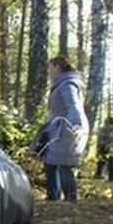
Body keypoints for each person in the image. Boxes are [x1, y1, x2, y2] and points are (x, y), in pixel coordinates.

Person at [43, 55, 89, 202]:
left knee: (65, 165)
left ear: (57, 67)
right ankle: (53, 198)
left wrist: (76, 125)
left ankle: (71, 200)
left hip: (68, 131)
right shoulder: (62, 84)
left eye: (50, 68)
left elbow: (73, 106)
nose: (49, 72)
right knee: (50, 163)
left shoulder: (68, 85)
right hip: (58, 130)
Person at [94, 116, 113, 181]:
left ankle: (99, 175)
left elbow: (99, 140)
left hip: (103, 148)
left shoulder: (102, 129)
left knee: (101, 163)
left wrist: (98, 149)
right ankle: (112, 178)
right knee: (112, 165)